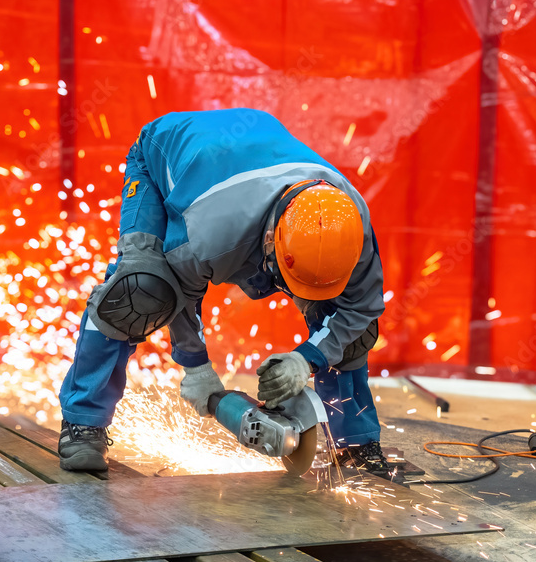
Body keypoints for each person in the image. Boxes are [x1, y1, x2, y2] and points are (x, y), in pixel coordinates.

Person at [58, 108, 391, 477]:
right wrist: (196, 367)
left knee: (352, 334)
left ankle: (354, 443)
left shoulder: (351, 227)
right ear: (271, 242)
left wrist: (307, 359)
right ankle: (83, 422)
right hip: (163, 155)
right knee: (139, 294)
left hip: (246, 154)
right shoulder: (209, 233)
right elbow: (180, 296)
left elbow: (361, 308)